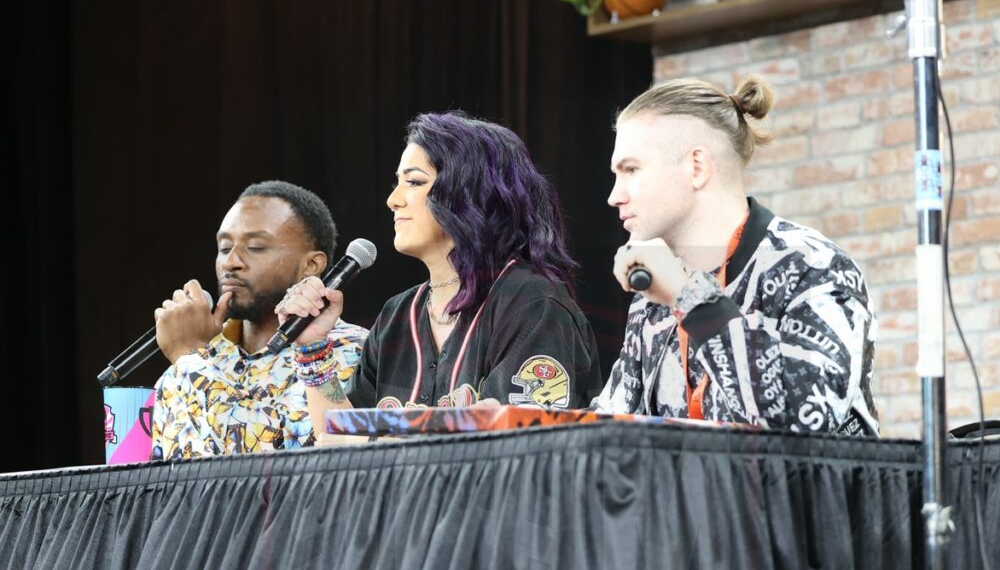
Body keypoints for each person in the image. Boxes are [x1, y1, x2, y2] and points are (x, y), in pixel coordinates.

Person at [276, 112, 603, 439]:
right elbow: (344, 447)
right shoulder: (397, 315)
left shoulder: (531, 305)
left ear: (471, 193)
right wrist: (313, 348)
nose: (393, 200)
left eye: (414, 182)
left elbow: (521, 454)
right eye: (398, 183)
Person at [593, 75, 879, 435]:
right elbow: (607, 427)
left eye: (631, 170)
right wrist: (508, 422)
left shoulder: (813, 267)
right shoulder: (654, 293)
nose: (614, 196)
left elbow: (799, 426)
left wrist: (688, 298)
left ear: (696, 167)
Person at [150, 181, 369, 459]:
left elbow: (265, 469)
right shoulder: (204, 356)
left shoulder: (349, 349)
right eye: (224, 247)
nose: (231, 262)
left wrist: (188, 355)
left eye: (255, 247)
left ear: (311, 265)